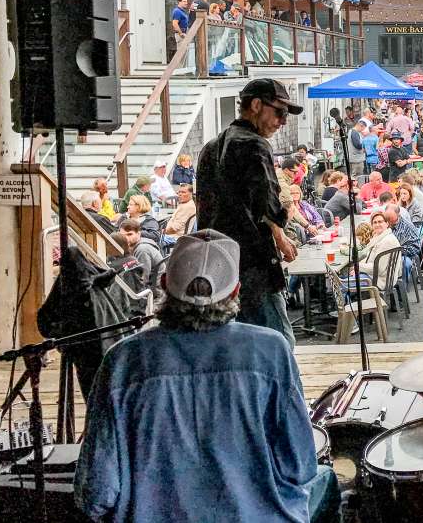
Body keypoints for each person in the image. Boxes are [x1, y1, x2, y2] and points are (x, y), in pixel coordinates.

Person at [74, 230, 340, 523]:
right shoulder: (271, 351)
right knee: (327, 481)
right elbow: (300, 467)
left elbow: (96, 493)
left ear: (163, 283)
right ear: (236, 290)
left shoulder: (122, 360)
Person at [197, 78, 301, 347]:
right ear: (256, 105)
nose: (283, 121)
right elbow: (268, 205)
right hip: (254, 265)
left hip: (217, 264)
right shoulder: (254, 145)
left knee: (235, 344)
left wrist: (278, 236)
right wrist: (283, 219)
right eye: (280, 112)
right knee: (279, 344)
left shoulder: (210, 147)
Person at [118, 218, 164, 299]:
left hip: (154, 292)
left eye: (130, 234)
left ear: (138, 234)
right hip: (152, 286)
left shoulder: (142, 250)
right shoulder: (134, 246)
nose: (126, 238)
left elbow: (142, 279)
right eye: (123, 235)